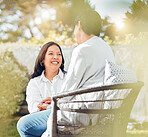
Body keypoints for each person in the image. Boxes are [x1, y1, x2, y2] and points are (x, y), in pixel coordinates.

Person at [42, 9, 116, 136]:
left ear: (79, 25)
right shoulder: (106, 48)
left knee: (25, 125)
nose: (75, 33)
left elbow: (67, 90)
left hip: (78, 116)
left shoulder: (82, 49)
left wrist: (50, 105)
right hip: (97, 112)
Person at [17, 41, 66, 137]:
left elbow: (73, 103)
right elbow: (33, 107)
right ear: (42, 59)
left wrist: (50, 105)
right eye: (51, 53)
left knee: (24, 125)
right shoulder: (34, 82)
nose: (56, 57)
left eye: (59, 54)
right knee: (26, 125)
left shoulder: (69, 79)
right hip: (43, 121)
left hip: (65, 117)